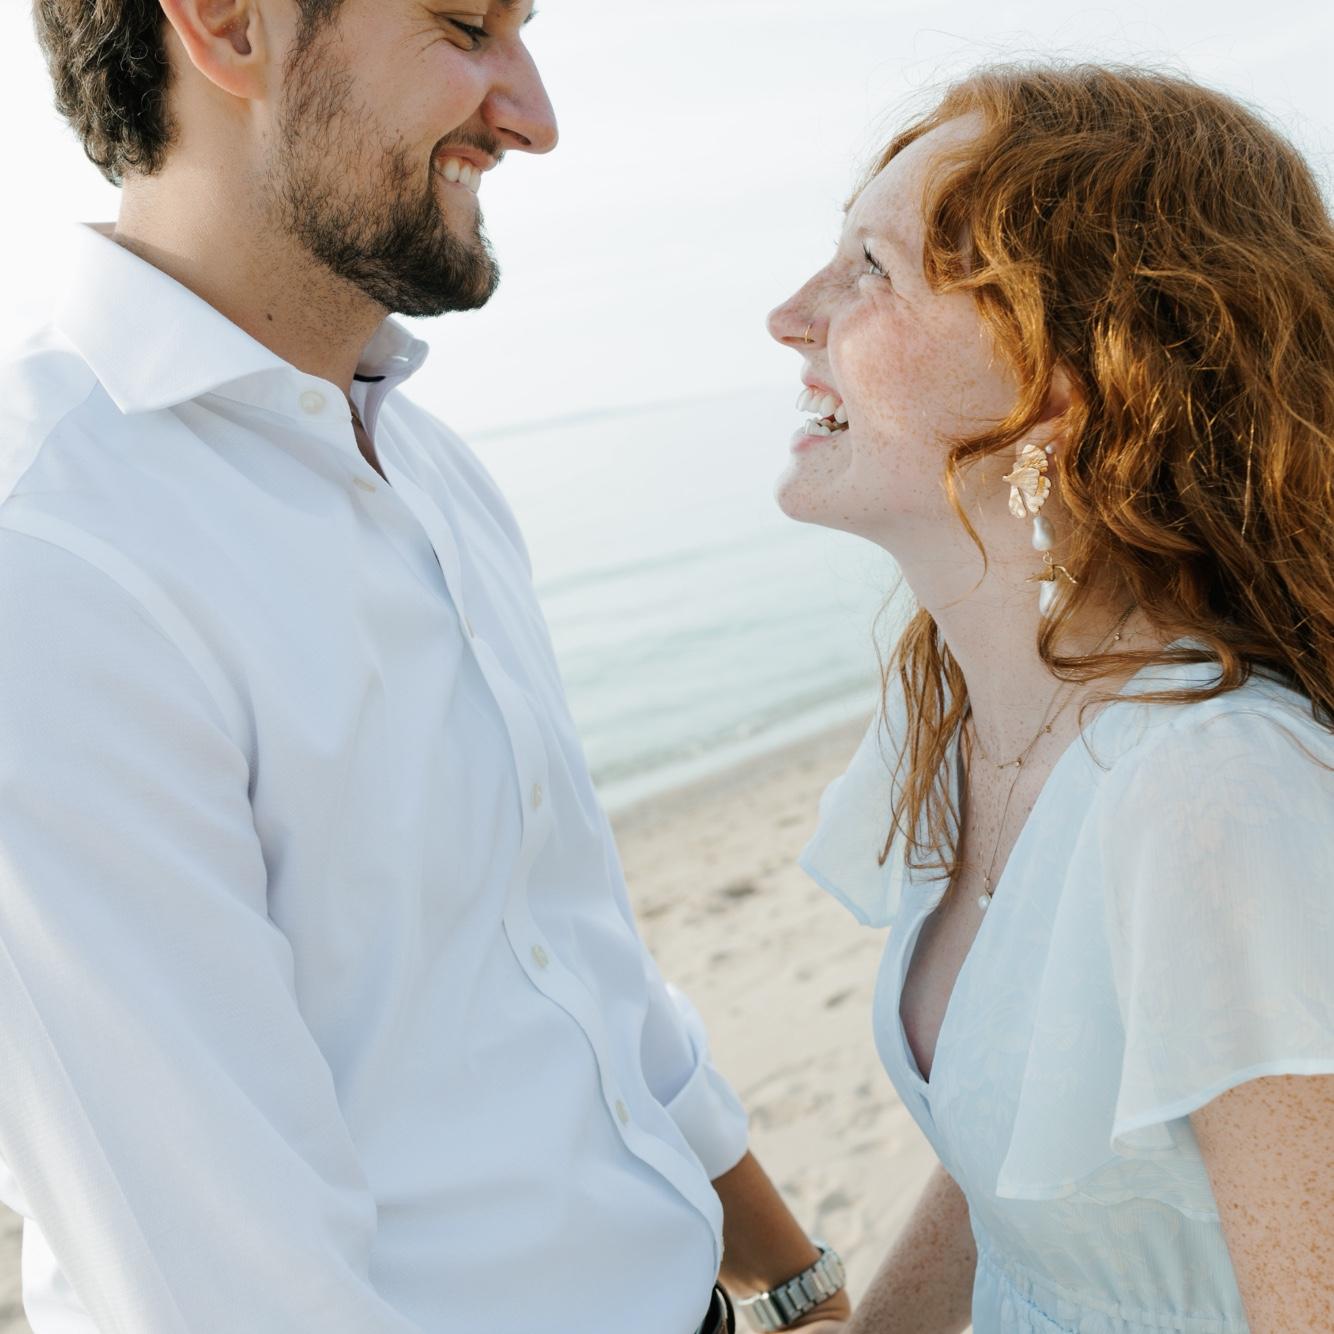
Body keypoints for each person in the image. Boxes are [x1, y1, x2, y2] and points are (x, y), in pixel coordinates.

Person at [0, 3, 854, 1331]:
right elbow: (228, 1293)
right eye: (465, 27)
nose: (533, 118)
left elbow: (579, 965)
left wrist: (796, 1287)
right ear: (226, 24)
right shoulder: (50, 556)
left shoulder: (426, 465)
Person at [768, 64, 1334, 1334]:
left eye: (870, 269)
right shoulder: (958, 722)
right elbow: (1028, 1148)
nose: (789, 317)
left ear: (1055, 388)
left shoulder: (1218, 798)